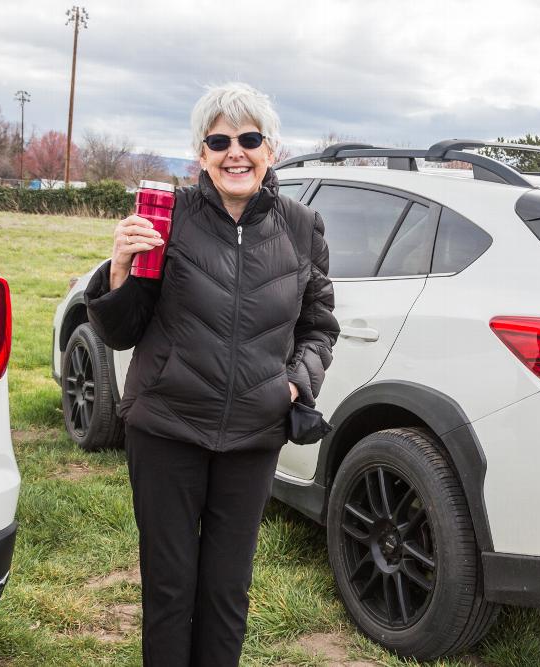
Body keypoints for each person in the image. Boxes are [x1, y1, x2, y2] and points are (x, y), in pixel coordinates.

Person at [84, 82, 339, 666]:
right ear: (201, 154)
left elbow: (319, 326)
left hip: (253, 435)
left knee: (227, 593)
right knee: (170, 590)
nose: (235, 153)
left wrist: (293, 383)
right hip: (167, 427)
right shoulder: (168, 216)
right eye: (219, 141)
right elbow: (122, 331)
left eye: (249, 139)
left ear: (271, 149)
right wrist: (119, 268)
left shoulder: (302, 227)